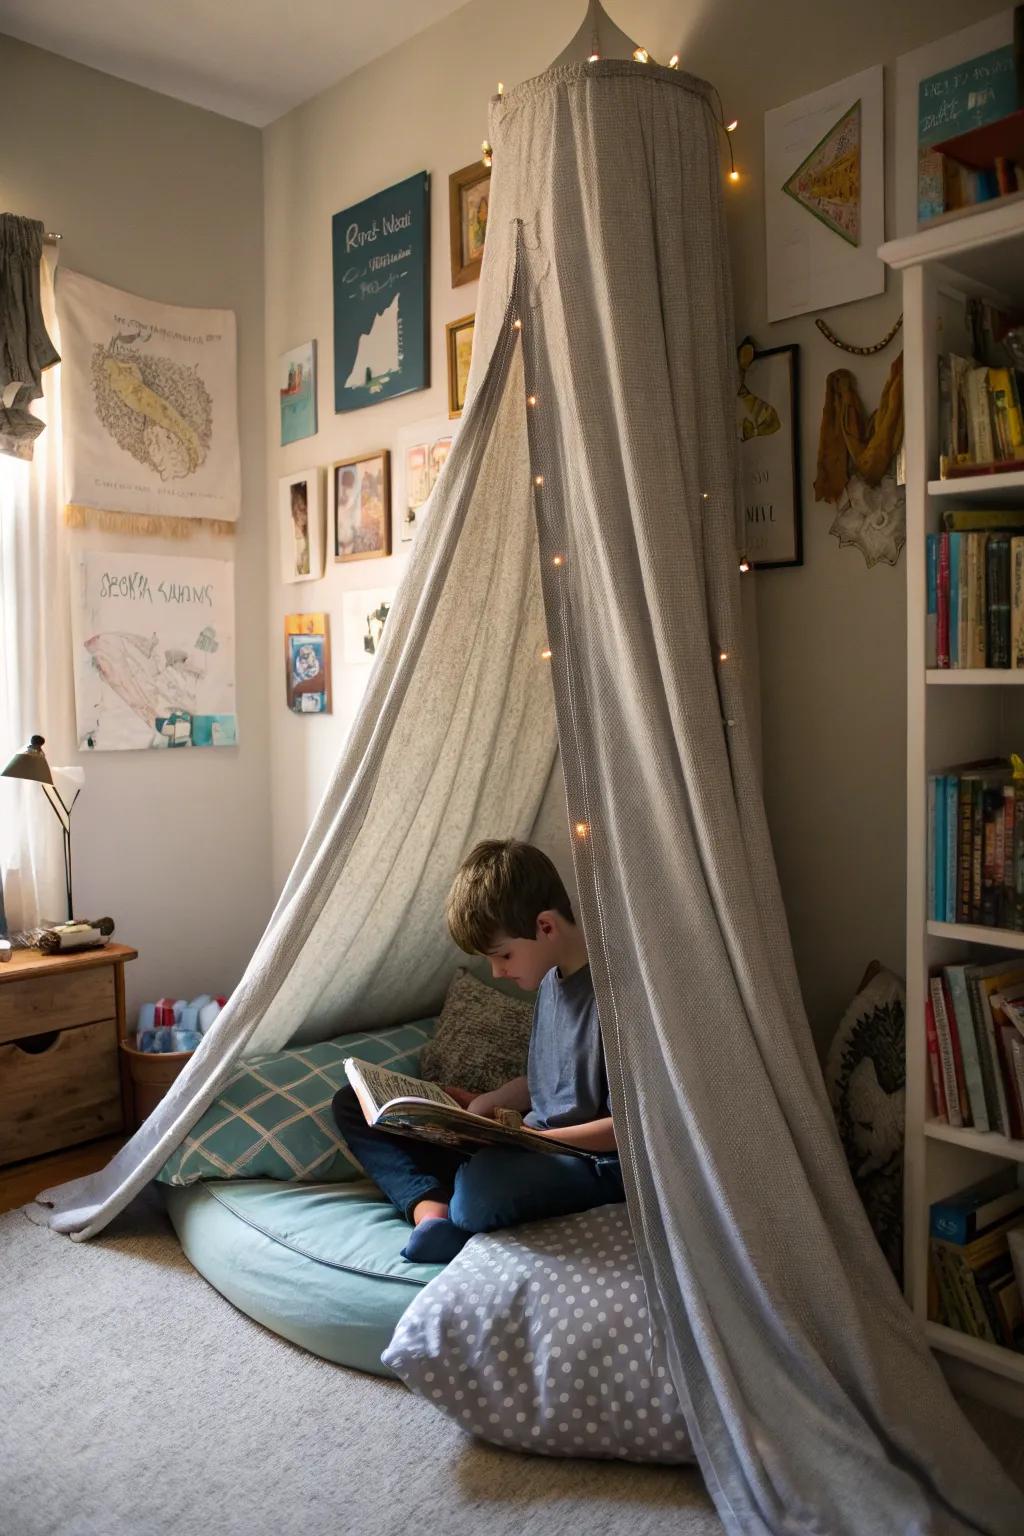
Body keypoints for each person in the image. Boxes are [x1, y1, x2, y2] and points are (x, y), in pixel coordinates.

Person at [332, 839, 624, 1263]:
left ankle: (452, 1204)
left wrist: (530, 1140)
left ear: (545, 926)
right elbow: (554, 1080)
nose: (498, 971)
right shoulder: (549, 982)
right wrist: (485, 1105)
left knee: (480, 1192)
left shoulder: (617, 996)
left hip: (585, 1162)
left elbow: (625, 1129)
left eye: (503, 955)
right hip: (527, 1146)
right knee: (352, 1104)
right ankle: (431, 1214)